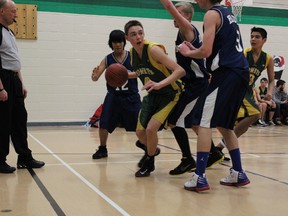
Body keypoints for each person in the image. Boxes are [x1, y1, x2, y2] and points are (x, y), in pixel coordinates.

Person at [177, 0, 250, 191]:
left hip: (227, 72)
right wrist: (194, 50)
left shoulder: (211, 14)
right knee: (225, 125)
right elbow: (215, 49)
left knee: (203, 121)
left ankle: (199, 176)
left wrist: (187, 51)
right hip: (240, 72)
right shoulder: (227, 13)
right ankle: (238, 172)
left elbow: (206, 51)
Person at [160, 0, 224, 176]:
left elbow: (169, 8)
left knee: (174, 121)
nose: (174, 16)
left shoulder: (187, 30)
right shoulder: (183, 33)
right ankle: (214, 152)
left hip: (197, 84)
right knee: (194, 122)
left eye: (179, 13)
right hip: (195, 83)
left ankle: (187, 159)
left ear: (187, 16)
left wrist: (167, 3)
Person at [124, 20, 185, 177]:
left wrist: (159, 84)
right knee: (139, 132)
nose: (138, 37)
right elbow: (141, 71)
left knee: (151, 129)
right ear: (127, 38)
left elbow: (180, 71)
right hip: (153, 94)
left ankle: (149, 163)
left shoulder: (154, 49)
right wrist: (121, 75)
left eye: (140, 33)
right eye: (133, 34)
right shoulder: (132, 54)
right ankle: (153, 150)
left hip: (170, 93)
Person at [216, 27, 275, 160]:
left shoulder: (267, 59)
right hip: (235, 88)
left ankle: (217, 148)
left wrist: (270, 93)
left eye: (257, 37)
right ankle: (217, 149)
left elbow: (272, 80)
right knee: (254, 114)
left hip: (247, 90)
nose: (253, 39)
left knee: (242, 126)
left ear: (264, 40)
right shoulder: (243, 53)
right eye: (252, 36)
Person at [0, 0, 45, 173]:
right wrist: (1, 88)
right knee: (3, 122)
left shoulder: (10, 32)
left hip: (14, 81)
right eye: (12, 11)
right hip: (3, 80)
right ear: (2, 11)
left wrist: (21, 83)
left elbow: (14, 61)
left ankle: (24, 157)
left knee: (19, 121)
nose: (16, 14)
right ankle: (0, 159)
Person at [91, 29, 141, 159]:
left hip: (131, 96)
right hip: (113, 96)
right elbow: (96, 77)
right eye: (115, 42)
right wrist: (94, 75)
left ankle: (146, 147)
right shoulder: (107, 59)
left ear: (124, 42)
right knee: (104, 123)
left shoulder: (133, 56)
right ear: (111, 43)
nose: (117, 44)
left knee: (141, 125)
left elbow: (141, 72)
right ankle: (102, 149)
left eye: (120, 42)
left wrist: (125, 75)